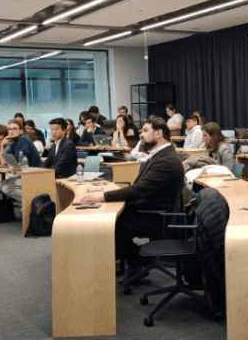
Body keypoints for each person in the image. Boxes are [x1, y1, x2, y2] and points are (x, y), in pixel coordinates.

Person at [78, 117, 184, 274]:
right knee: (110, 217)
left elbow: (139, 190)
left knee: (109, 223)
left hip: (154, 216)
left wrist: (103, 197)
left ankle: (136, 261)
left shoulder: (166, 160)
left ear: (159, 133)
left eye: (146, 131)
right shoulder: (159, 155)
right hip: (146, 209)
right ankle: (135, 262)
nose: (141, 135)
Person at [0, 119, 41, 200]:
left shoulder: (23, 139)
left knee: (6, 188)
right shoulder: (13, 142)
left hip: (34, 175)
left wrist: (12, 165)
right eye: (10, 129)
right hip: (22, 174)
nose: (11, 131)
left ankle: (32, 201)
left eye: (15, 129)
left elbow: (20, 162)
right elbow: (3, 162)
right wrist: (2, 146)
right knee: (0, 185)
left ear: (21, 131)